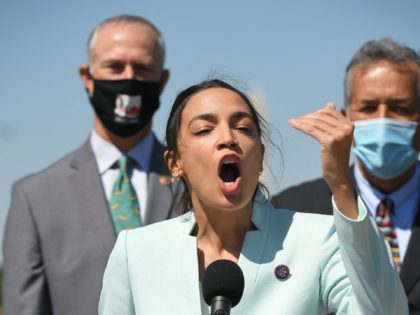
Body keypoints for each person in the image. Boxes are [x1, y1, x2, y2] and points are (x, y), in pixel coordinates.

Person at [98, 79, 408, 314]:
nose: (228, 139)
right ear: (175, 163)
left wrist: (341, 184)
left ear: (260, 158)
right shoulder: (135, 252)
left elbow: (383, 309)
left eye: (243, 128)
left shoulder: (318, 239)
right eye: (204, 130)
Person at [3, 15, 182, 315]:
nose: (129, 79)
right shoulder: (34, 198)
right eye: (115, 67)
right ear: (88, 77)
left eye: (142, 68)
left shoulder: (194, 184)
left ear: (162, 81)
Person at [271, 38, 420, 314]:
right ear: (345, 117)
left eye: (400, 108)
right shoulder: (291, 212)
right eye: (368, 107)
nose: (383, 119)